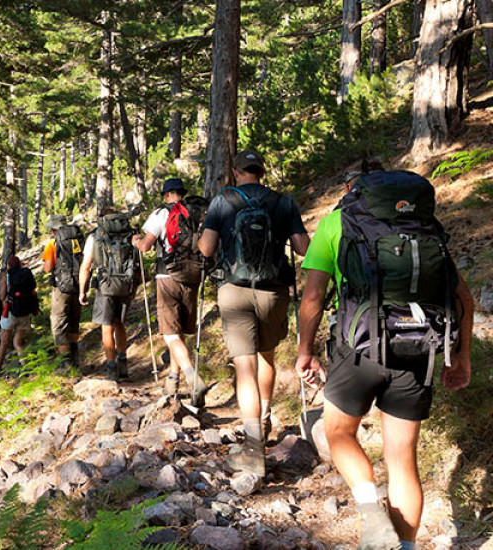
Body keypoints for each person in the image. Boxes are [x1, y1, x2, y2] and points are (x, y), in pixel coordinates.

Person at [296, 170, 473, 550]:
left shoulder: (335, 223)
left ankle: (372, 515)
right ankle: (404, 547)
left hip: (357, 350)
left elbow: (312, 298)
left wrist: (305, 352)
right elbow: (465, 300)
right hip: (418, 350)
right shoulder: (425, 227)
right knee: (403, 461)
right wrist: (461, 358)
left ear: (351, 191)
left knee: (339, 433)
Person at [197, 149, 310, 475]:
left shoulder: (223, 200)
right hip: (273, 291)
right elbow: (303, 248)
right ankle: (264, 417)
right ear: (261, 171)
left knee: (244, 366)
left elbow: (206, 248)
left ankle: (253, 445)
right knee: (267, 358)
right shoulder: (282, 202)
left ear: (235, 172)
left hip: (234, 290)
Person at [132, 178, 209, 404]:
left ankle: (191, 375)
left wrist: (136, 241)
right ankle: (173, 382)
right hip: (193, 277)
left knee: (169, 334)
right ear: (182, 194)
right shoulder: (196, 212)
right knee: (180, 331)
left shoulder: (162, 213)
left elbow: (146, 246)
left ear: (166, 195)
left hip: (167, 276)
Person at [79, 208, 140, 380]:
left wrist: (82, 291)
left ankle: (111, 368)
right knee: (119, 324)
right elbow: (137, 261)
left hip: (105, 286)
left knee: (107, 326)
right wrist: (135, 287)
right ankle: (123, 363)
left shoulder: (96, 236)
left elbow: (86, 266)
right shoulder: (129, 234)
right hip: (125, 285)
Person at [42, 215, 84, 367]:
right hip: (78, 284)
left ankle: (64, 361)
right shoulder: (76, 239)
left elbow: (47, 267)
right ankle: (75, 358)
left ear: (54, 228)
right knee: (73, 321)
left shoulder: (53, 243)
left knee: (59, 322)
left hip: (61, 287)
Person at [0, 256, 37, 370]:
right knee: (18, 342)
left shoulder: (7, 277)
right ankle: (26, 366)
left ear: (8, 265)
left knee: (4, 342)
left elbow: (2, 296)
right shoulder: (26, 275)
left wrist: (3, 284)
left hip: (11, 312)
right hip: (25, 312)